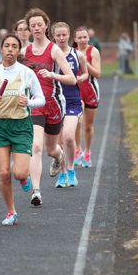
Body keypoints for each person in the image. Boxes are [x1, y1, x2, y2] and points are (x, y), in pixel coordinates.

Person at [0, 34, 45, 225]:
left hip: (21, 127)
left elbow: (40, 98)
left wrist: (29, 102)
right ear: (1, 49)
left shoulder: (26, 73)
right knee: (3, 173)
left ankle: (24, 179)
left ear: (18, 50)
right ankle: (11, 212)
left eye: (14, 46)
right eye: (6, 46)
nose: (10, 49)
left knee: (20, 173)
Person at [22, 7, 76, 206]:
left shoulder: (53, 49)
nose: (36, 28)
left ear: (46, 26)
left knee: (51, 148)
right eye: (32, 25)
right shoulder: (25, 51)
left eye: (39, 24)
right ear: (29, 28)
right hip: (35, 105)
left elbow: (71, 78)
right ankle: (36, 191)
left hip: (53, 104)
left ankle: (59, 156)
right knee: (35, 146)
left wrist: (52, 75)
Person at [50, 22, 88, 188]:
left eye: (64, 34)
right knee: (58, 143)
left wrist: (81, 78)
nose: (61, 38)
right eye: (58, 35)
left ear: (69, 36)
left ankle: (71, 170)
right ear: (53, 37)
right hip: (56, 101)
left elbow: (86, 73)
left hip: (72, 100)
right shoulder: (51, 55)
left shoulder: (78, 55)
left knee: (69, 137)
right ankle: (63, 173)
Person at [73, 26, 101, 168]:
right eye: (80, 37)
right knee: (77, 122)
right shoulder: (71, 52)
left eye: (85, 37)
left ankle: (88, 152)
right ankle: (77, 150)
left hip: (90, 90)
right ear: (75, 39)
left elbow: (97, 74)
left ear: (88, 38)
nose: (83, 40)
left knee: (88, 126)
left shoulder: (93, 51)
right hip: (76, 91)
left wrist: (85, 61)